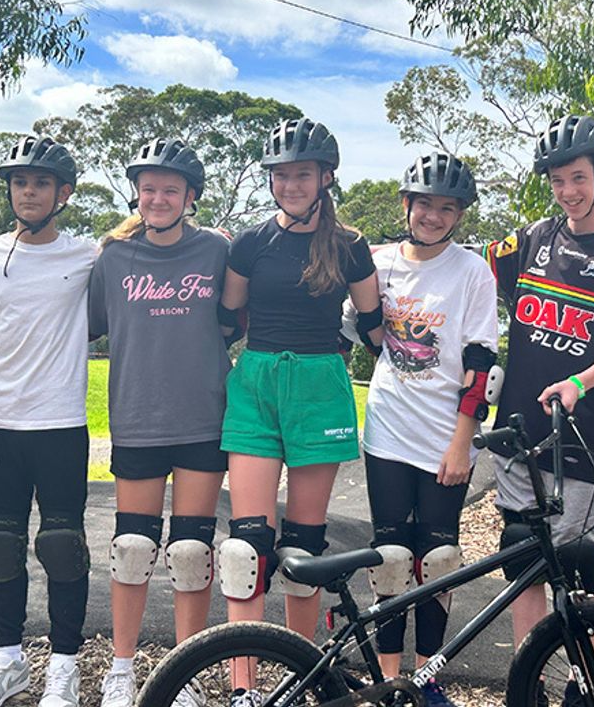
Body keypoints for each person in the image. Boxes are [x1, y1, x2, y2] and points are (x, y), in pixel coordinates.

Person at [484, 114, 594, 705]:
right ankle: (527, 687)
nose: (567, 192)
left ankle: (586, 688)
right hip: (518, 431)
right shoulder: (531, 239)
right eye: (557, 181)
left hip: (580, 432)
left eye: (578, 178)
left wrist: (582, 381)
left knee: (582, 570)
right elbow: (457, 262)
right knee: (523, 563)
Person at [217, 117, 383, 707]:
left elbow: (374, 327)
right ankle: (243, 689)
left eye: (302, 174)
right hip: (257, 383)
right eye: (281, 175)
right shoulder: (250, 242)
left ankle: (300, 680)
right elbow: (228, 319)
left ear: (325, 178)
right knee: (246, 549)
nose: (290, 185)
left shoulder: (350, 245)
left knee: (304, 549)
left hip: (319, 387)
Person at [0, 135, 96, 707]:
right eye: (20, 182)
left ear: (64, 193)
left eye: (40, 183)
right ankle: (7, 660)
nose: (28, 192)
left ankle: (64, 667)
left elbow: (143, 250)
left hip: (60, 425)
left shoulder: (88, 256)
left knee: (63, 545)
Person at [347, 152, 499, 707]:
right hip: (388, 429)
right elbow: (363, 333)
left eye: (447, 208)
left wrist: (463, 441)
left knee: (438, 561)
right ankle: (390, 681)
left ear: (459, 215)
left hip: (445, 437)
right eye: (424, 204)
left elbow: (480, 363)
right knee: (390, 558)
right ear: (406, 204)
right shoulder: (379, 262)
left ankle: (428, 675)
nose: (433, 216)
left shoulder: (472, 271)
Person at [87, 138, 231, 707]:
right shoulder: (113, 258)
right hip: (137, 416)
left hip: (202, 419)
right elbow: (89, 325)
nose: (158, 199)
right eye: (149, 189)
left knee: (192, 553)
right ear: (137, 194)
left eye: (171, 190)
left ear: (191, 197)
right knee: (131, 547)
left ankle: (185, 672)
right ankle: (121, 669)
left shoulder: (217, 251)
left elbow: (236, 320)